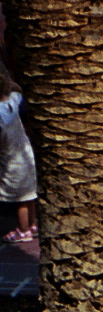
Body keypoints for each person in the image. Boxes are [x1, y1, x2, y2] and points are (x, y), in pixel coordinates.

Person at [0, 61, 36, 244]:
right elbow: (19, 90)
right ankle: (32, 225)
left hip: (12, 160)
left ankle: (24, 231)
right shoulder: (13, 100)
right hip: (26, 154)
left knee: (21, 200)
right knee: (30, 195)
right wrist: (12, 84)